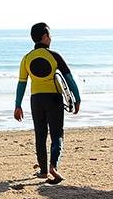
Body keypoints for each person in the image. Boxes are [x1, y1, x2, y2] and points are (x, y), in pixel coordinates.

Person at [14, 23, 81, 185]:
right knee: (57, 134)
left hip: (36, 100)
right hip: (54, 99)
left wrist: (17, 105)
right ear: (44, 37)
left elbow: (21, 83)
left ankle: (43, 171)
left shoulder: (26, 58)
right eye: (49, 35)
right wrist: (77, 98)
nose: (51, 38)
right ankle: (53, 166)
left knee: (40, 134)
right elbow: (69, 79)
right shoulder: (54, 56)